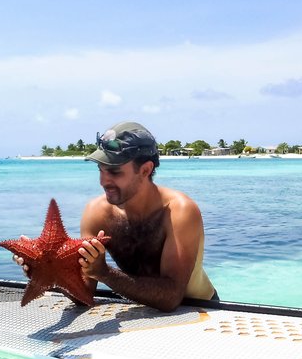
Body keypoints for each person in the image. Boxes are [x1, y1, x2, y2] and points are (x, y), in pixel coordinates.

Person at [15, 121, 216, 312]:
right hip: (140, 309)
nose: (103, 181)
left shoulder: (179, 211)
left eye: (114, 172)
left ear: (145, 170)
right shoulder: (97, 213)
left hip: (202, 308)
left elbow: (172, 297)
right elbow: (85, 293)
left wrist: (104, 272)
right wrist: (46, 272)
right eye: (100, 170)